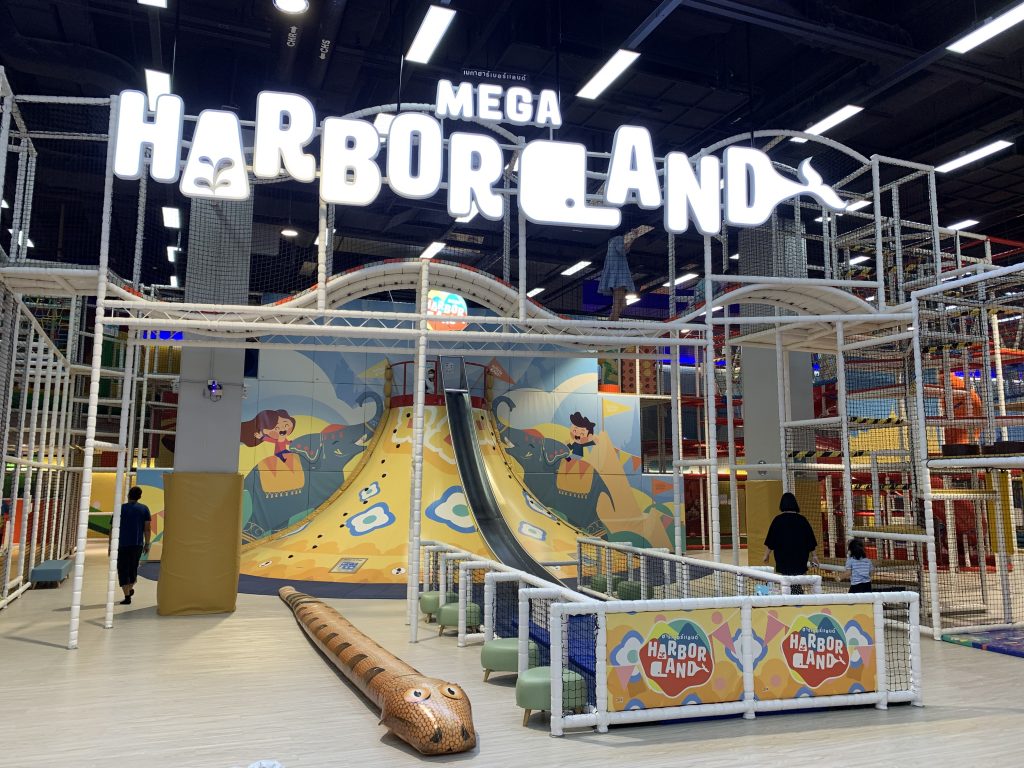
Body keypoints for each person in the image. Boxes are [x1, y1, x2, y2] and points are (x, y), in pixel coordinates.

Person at [762, 491, 819, 594]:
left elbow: (771, 540)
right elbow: (810, 539)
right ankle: (797, 594)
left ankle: (789, 596)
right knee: (797, 579)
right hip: (800, 556)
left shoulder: (778, 520)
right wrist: (814, 556)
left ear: (782, 504)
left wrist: (766, 555)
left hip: (783, 557)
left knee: (786, 579)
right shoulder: (802, 520)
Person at [117, 486, 151, 606]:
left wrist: (111, 544)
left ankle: (127, 595)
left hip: (122, 544)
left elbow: (113, 528)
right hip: (137, 544)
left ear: (128, 495)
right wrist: (147, 543)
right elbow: (147, 529)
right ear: (139, 497)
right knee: (133, 568)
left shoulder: (120, 509)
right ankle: (130, 589)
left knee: (122, 569)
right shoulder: (144, 509)